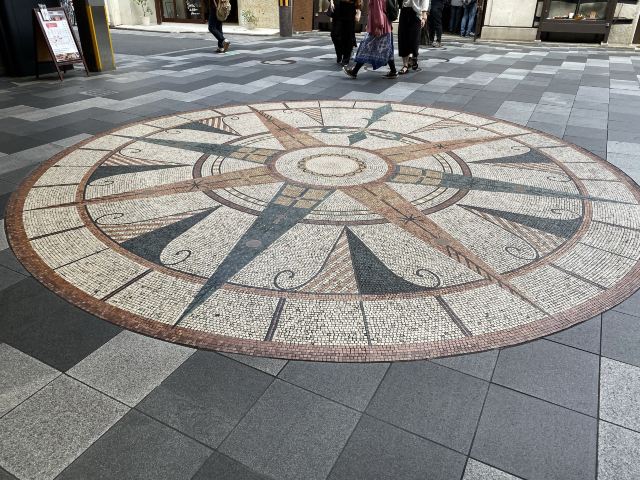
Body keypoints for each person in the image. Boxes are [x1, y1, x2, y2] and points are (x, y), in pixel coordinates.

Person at [343, 0, 398, 79]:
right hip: (384, 25)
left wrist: (378, 26)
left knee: (366, 47)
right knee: (387, 49)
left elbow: (378, 10)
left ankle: (354, 71)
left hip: (379, 26)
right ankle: (393, 71)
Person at [397, 0, 429, 74]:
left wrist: (424, 15)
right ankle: (405, 65)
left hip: (416, 12)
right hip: (404, 11)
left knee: (414, 38)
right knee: (403, 38)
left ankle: (414, 56)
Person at [330, 0, 362, 66]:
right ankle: (339, 53)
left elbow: (359, 1)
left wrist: (358, 11)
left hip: (349, 9)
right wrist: (331, 1)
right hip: (338, 8)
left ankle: (346, 58)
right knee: (334, 34)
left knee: (348, 35)